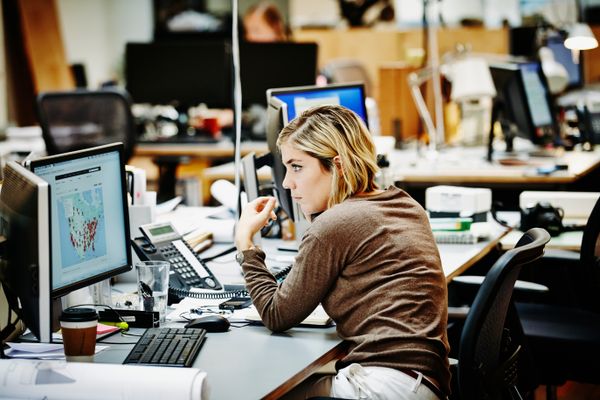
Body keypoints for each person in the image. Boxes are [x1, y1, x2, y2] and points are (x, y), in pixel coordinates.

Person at [234, 105, 450, 399]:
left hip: (384, 388)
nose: (286, 183)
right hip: (424, 384)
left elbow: (276, 314)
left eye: (297, 167)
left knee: (256, 390)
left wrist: (245, 242)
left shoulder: (336, 224)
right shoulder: (404, 203)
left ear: (338, 167)